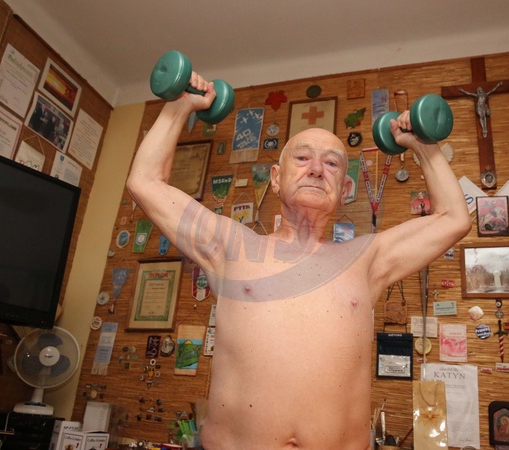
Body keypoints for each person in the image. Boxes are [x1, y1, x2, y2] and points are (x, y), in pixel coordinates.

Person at [126, 71, 471, 450]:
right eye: (303, 158)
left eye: (332, 164)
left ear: (346, 189)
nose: (317, 169)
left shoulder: (366, 260)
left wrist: (421, 145)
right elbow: (145, 182)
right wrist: (181, 106)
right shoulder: (230, 246)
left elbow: (453, 219)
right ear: (275, 178)